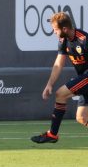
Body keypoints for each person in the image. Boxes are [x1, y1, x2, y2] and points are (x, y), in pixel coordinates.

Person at [31, 12, 88, 143]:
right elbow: (58, 64)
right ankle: (52, 135)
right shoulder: (63, 41)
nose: (53, 32)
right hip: (84, 79)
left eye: (55, 29)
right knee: (82, 117)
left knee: (60, 94)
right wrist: (49, 84)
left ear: (65, 29)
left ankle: (52, 134)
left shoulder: (84, 39)